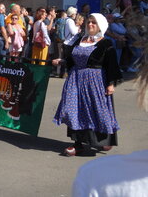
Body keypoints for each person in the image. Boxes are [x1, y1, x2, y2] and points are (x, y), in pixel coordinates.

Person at [52, 13, 122, 156]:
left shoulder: (105, 43)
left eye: (94, 23)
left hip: (95, 82)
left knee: (98, 110)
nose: (90, 25)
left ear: (100, 26)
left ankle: (105, 139)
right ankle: (78, 144)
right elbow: (72, 59)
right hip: (75, 80)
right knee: (73, 109)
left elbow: (112, 66)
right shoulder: (80, 40)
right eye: (89, 22)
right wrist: (62, 61)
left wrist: (111, 84)